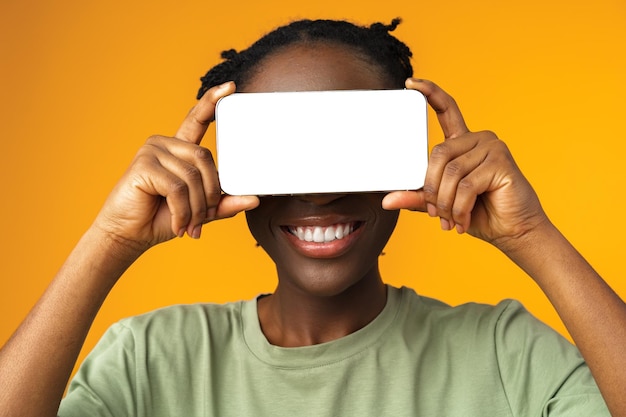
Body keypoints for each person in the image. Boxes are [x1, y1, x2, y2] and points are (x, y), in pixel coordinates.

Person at [0, 18, 624, 417]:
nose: (319, 194)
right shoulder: (149, 359)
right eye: (284, 154)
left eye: (351, 148)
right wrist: (108, 241)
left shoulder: (503, 354)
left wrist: (531, 235)